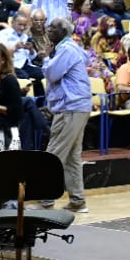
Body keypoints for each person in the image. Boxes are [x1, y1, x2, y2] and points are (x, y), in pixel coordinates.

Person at [42, 18, 91, 214]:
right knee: (72, 156)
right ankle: (78, 201)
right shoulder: (72, 46)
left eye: (53, 27)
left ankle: (45, 201)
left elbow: (52, 73)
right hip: (78, 106)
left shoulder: (66, 49)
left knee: (54, 155)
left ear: (63, 31)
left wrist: (46, 57)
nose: (48, 29)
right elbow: (86, 59)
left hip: (70, 107)